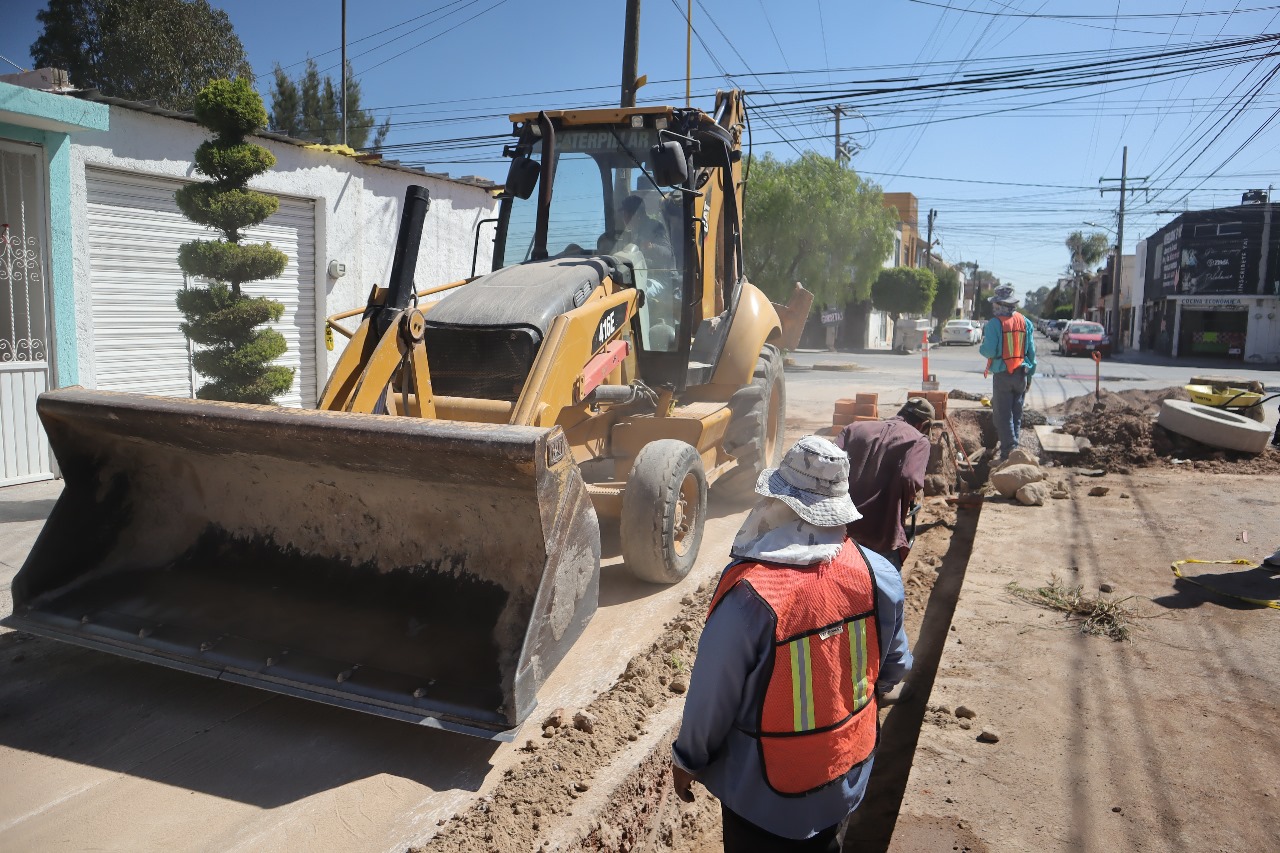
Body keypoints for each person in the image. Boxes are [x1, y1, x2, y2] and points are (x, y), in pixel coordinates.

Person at [670, 436, 913, 852]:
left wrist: (687, 760)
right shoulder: (878, 575)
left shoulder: (752, 596)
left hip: (765, 796)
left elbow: (713, 697)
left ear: (778, 501)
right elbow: (894, 666)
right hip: (846, 771)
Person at [835, 397, 934, 570]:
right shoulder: (919, 441)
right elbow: (910, 478)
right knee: (882, 590)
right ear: (923, 424)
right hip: (881, 534)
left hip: (838, 528)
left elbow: (827, 462)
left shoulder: (853, 428)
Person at [979, 284, 1036, 461]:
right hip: (1021, 373)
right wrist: (1030, 376)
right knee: (1016, 414)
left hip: (1003, 374)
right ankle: (1014, 448)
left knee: (1002, 416)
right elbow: (1031, 353)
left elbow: (990, 351)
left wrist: (982, 348)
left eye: (995, 305)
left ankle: (1008, 452)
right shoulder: (1025, 322)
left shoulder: (995, 324)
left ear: (999, 304)